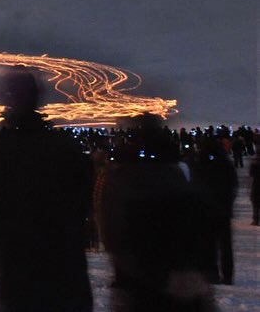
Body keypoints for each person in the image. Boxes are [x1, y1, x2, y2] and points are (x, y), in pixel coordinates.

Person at [0, 66, 92, 312]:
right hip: (64, 272)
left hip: (17, 272)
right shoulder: (64, 147)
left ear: (5, 97)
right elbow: (83, 202)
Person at [100, 115, 215, 311]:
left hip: (141, 276)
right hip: (180, 272)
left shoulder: (123, 176)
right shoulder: (178, 172)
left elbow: (112, 228)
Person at [192, 135, 238, 285]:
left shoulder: (200, 163)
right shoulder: (225, 162)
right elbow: (233, 184)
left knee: (209, 244)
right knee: (225, 245)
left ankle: (212, 273)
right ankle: (228, 275)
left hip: (206, 209)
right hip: (223, 209)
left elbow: (194, 185)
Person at [250, 152, 260, 225]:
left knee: (255, 203)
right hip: (256, 185)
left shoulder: (255, 163)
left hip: (256, 185)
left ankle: (256, 220)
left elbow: (251, 173)